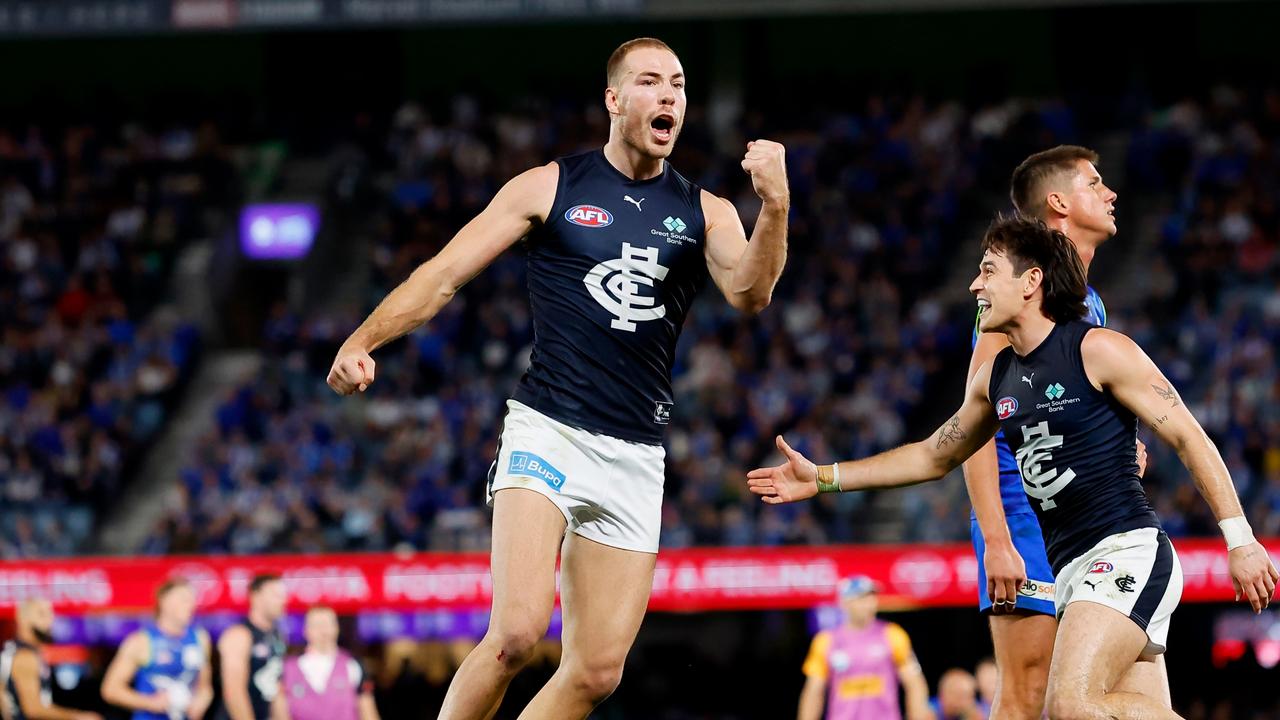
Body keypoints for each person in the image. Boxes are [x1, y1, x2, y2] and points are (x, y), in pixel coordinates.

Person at [326, 37, 788, 720]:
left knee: (597, 672)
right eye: (652, 83)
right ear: (613, 99)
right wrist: (365, 339)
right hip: (548, 430)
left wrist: (774, 208)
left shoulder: (706, 210)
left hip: (633, 450)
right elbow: (444, 275)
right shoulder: (550, 185)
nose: (670, 96)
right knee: (515, 634)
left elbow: (751, 293)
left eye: (680, 85)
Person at [747, 215, 1278, 717]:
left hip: (1126, 554)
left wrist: (1241, 540)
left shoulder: (1099, 350)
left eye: (987, 271)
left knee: (1067, 704)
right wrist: (823, 477)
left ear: (1031, 282)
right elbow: (934, 454)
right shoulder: (995, 378)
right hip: (1072, 570)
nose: (975, 287)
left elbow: (1189, 437)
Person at [964, 145, 1135, 719]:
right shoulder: (1016, 293)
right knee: (1028, 692)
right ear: (1059, 202)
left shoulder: (1090, 303)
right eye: (1096, 182)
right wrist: (997, 540)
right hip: (1024, 515)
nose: (1110, 193)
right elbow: (974, 427)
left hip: (1087, 520)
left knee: (1092, 692)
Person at [797, 576, 929, 720]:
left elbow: (915, 684)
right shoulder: (826, 640)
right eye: (861, 597)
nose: (869, 603)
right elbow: (813, 692)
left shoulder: (893, 634)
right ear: (844, 602)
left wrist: (917, 715)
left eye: (872, 597)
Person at [101, 578, 213, 720]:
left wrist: (202, 701)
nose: (191, 605)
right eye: (184, 599)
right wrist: (150, 703)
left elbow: (205, 686)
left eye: (192, 600)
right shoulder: (141, 641)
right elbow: (110, 690)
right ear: (164, 602)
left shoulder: (200, 638)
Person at [0, 600, 101, 720]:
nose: (50, 620)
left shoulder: (13, 650)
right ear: (23, 620)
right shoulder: (25, 657)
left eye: (50, 614)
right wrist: (77, 716)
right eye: (41, 614)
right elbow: (33, 709)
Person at [277, 607, 378, 720]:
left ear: (337, 628)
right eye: (317, 625)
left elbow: (368, 711)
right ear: (306, 630)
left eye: (328, 624)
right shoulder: (288, 668)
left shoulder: (352, 665)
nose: (323, 631)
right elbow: (280, 712)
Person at [216, 575, 287, 720]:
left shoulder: (277, 636)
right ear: (256, 596)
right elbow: (234, 692)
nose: (282, 600)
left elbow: (276, 688)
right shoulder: (239, 635)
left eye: (282, 595)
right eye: (275, 595)